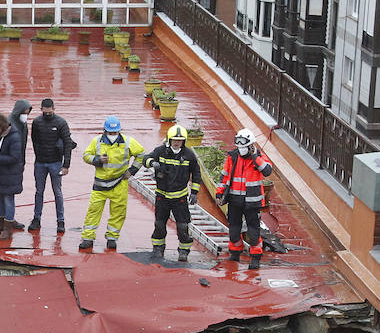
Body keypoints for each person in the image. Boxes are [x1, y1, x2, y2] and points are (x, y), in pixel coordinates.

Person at [79, 116, 145, 250]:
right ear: (105, 131)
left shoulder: (128, 142)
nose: (113, 135)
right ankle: (88, 238)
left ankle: (112, 237)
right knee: (93, 211)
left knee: (118, 212)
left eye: (115, 133)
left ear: (119, 131)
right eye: (110, 133)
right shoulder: (97, 141)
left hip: (119, 183)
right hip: (100, 185)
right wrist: (97, 160)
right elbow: (86, 155)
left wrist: (132, 170)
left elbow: (141, 154)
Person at [215, 128, 275, 270]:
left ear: (251, 146)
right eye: (239, 147)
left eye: (244, 147)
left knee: (254, 232)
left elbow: (267, 171)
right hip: (235, 201)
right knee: (234, 230)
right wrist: (219, 193)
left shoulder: (259, 157)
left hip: (252, 202)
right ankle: (235, 252)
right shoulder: (233, 157)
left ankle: (255, 257)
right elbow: (224, 176)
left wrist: (255, 157)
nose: (242, 150)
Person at [143, 124, 203, 262]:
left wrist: (194, 192)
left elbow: (196, 174)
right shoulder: (160, 151)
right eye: (174, 140)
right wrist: (152, 163)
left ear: (184, 141)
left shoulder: (189, 155)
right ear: (169, 140)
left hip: (179, 198)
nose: (177, 143)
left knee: (183, 226)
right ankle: (158, 248)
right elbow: (145, 159)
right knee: (159, 224)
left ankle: (184, 251)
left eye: (180, 140)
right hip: (162, 197)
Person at [28, 98, 74, 234]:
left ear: (54, 109)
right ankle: (36, 218)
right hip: (40, 162)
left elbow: (68, 144)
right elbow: (34, 140)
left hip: (55, 163)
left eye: (49, 112)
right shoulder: (37, 122)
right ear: (41, 109)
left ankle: (60, 220)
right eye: (45, 112)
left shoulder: (61, 123)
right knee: (39, 191)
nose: (47, 114)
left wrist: (66, 165)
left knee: (57, 192)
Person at [0, 112, 25, 235]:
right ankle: (1, 225)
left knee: (8, 201)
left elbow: (14, 158)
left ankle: (8, 228)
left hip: (10, 175)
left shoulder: (14, 137)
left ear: (0, 125)